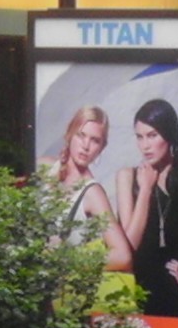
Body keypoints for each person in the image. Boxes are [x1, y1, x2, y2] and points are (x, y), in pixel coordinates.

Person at [112, 99, 178, 316]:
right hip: (135, 296)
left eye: (152, 135)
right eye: (139, 137)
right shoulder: (127, 177)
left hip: (173, 299)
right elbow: (129, 246)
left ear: (170, 136)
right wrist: (146, 189)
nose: (144, 145)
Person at [48, 104, 132, 269]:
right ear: (70, 134)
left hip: (66, 288)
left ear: (101, 148)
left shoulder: (92, 193)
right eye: (81, 135)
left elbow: (122, 256)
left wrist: (68, 259)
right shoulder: (49, 169)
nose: (86, 146)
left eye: (95, 140)